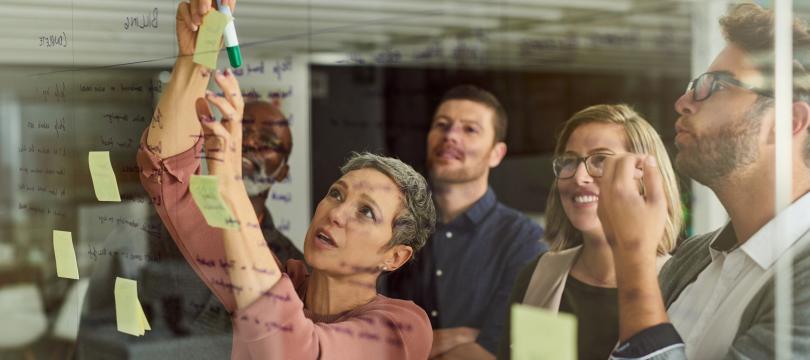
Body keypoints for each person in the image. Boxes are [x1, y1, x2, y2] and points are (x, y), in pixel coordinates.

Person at [136, 1, 435, 359]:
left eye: (366, 212)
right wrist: (196, 58)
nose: (336, 214)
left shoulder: (404, 327)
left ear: (395, 256)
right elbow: (167, 174)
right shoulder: (281, 280)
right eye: (336, 194)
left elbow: (294, 351)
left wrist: (230, 187)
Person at [598, 4, 810, 359]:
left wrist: (633, 256)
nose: (682, 102)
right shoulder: (695, 257)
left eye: (715, 86)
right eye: (693, 86)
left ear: (787, 121)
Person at [496, 104, 683, 360]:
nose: (579, 177)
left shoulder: (683, 286)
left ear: (646, 178)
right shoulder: (540, 275)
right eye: (569, 162)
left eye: (601, 160)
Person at [384, 85, 546, 359]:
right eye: (442, 125)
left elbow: (495, 349)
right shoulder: (391, 226)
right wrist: (459, 336)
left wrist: (403, 345)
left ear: (497, 153)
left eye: (470, 129)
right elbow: (366, 334)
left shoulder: (525, 241)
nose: (450, 136)